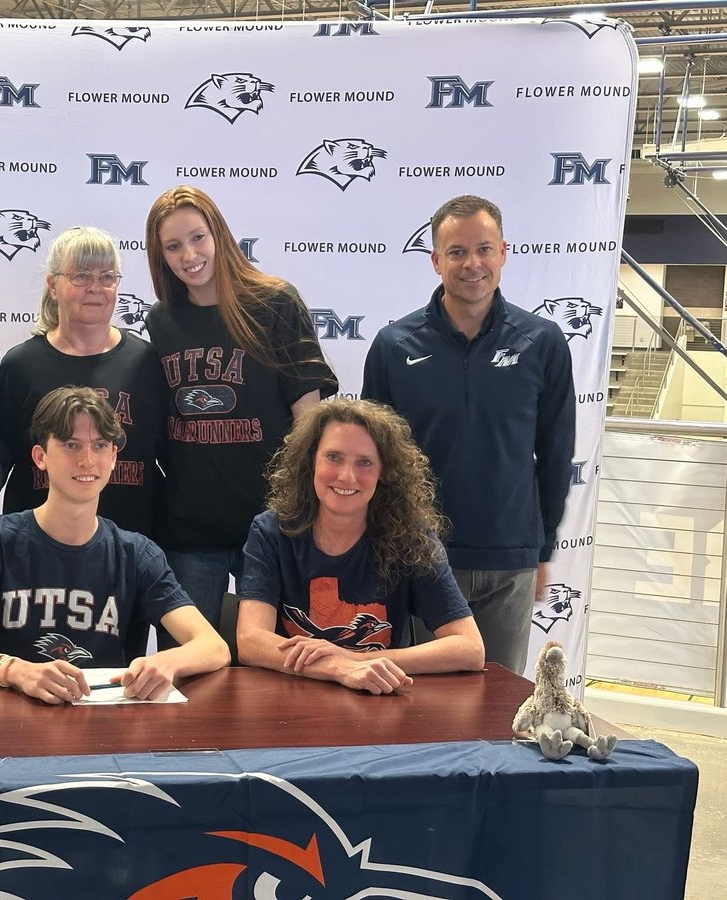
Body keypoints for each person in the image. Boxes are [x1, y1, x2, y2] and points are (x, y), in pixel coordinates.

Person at [361, 195, 575, 674]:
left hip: (510, 560)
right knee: (418, 712)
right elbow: (372, 459)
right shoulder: (394, 346)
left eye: (484, 249)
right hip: (419, 555)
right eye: (456, 252)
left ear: (503, 252)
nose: (471, 263)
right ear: (435, 260)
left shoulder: (542, 342)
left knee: (499, 712)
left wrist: (541, 551)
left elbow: (556, 454)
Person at [0, 387, 229, 704]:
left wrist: (169, 661)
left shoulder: (136, 553)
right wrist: (14, 671)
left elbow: (213, 646)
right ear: (40, 457)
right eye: (71, 445)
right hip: (10, 717)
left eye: (99, 446)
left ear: (113, 457)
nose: (87, 460)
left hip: (104, 725)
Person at [144, 185, 337, 644]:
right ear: (160, 256)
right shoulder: (161, 320)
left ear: (219, 235)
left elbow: (309, 420)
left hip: (272, 522)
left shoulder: (274, 302)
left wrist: (300, 508)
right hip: (191, 527)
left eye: (197, 237)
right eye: (172, 246)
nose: (188, 254)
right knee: (186, 667)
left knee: (283, 666)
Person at [236, 399, 485, 695]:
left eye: (364, 462)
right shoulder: (270, 531)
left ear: (384, 472)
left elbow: (469, 648)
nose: (347, 476)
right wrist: (336, 668)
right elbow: (250, 640)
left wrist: (356, 658)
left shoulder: (410, 537)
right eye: (333, 457)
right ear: (311, 461)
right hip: (291, 700)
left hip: (378, 698)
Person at [0, 226, 166, 538]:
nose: (95, 287)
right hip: (38, 544)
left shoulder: (147, 362)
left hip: (134, 542)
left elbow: (171, 454)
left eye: (107, 277)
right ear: (52, 285)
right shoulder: (20, 365)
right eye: (81, 276)